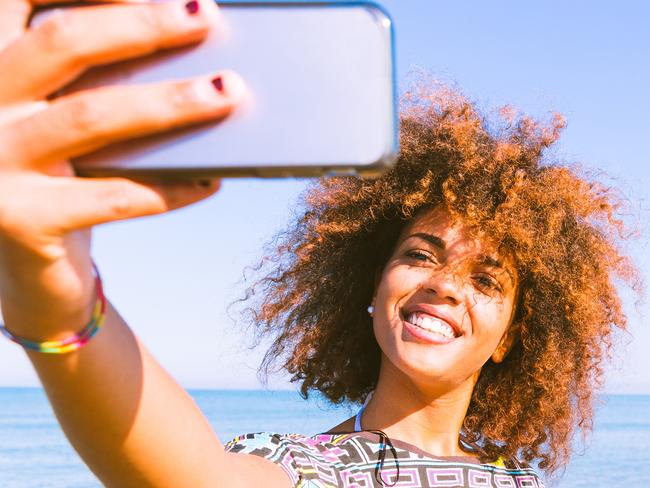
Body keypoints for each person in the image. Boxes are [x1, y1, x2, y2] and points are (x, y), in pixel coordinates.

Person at [0, 1, 637, 487]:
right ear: (371, 285)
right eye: (419, 253)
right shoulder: (295, 468)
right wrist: (54, 287)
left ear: (512, 341)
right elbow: (189, 474)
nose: (444, 283)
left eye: (487, 280)